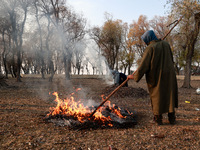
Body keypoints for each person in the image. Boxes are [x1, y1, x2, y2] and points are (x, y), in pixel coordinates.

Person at [128, 30, 178, 125]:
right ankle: (172, 119)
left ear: (148, 39)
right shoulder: (166, 44)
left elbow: (144, 65)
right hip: (169, 75)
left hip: (157, 76)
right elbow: (171, 59)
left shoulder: (150, 48)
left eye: (145, 40)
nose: (145, 42)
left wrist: (134, 76)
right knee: (169, 96)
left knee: (157, 96)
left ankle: (158, 119)